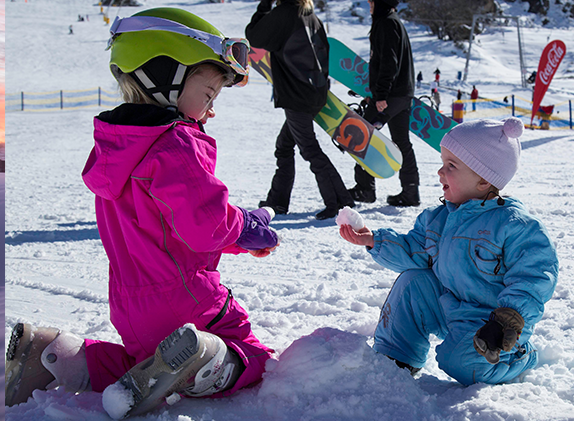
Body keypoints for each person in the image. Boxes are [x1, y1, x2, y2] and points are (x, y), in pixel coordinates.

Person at [5, 8, 279, 418]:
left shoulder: (115, 147)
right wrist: (246, 227)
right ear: (166, 73)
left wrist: (234, 237)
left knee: (140, 362)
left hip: (129, 305)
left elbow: (167, 223)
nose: (210, 110)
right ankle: (201, 360)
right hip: (186, 297)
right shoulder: (176, 144)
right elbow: (206, 225)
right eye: (207, 94)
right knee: (253, 356)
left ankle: (53, 354)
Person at [338, 117, 558, 385]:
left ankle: (519, 357)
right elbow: (412, 251)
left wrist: (507, 320)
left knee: (461, 364)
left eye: (451, 166)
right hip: (449, 307)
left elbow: (534, 276)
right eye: (443, 164)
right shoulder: (439, 218)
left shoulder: (515, 226)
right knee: (413, 281)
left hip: (491, 325)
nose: (441, 173)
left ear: (483, 180)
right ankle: (397, 357)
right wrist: (374, 241)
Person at [246, 0, 354, 220]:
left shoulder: (284, 14)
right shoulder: (310, 16)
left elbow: (254, 37)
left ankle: (339, 201)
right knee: (285, 145)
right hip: (314, 92)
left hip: (297, 94)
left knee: (309, 149)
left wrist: (264, 6)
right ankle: (277, 202)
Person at [347, 0, 420, 207]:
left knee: (361, 134)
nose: (369, 4)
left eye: (371, 1)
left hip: (392, 95)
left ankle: (365, 189)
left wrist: (381, 95)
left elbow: (389, 61)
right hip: (401, 93)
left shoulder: (386, 23)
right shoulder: (393, 21)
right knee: (402, 142)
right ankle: (410, 191)